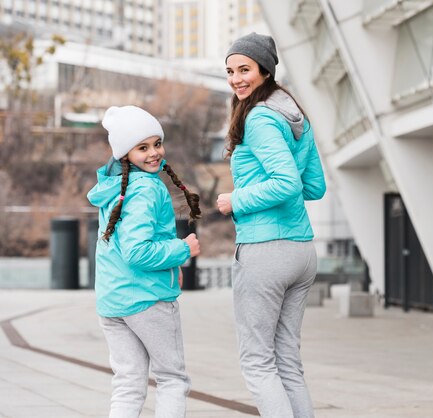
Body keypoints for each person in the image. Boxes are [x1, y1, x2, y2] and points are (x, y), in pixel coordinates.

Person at [216, 33, 326, 418]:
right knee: (287, 362)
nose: (235, 79)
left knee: (258, 363)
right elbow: (314, 186)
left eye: (244, 69)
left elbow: (288, 184)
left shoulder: (260, 118)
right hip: (301, 251)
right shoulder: (294, 114)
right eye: (230, 71)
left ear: (265, 69)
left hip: (266, 251)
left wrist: (236, 199)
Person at [87, 105, 201, 418]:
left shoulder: (113, 188)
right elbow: (137, 251)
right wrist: (182, 250)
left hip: (113, 301)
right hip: (147, 299)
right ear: (125, 153)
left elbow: (125, 245)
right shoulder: (146, 188)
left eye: (157, 143)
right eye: (142, 147)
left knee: (128, 382)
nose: (153, 153)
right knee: (172, 378)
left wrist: (171, 265)